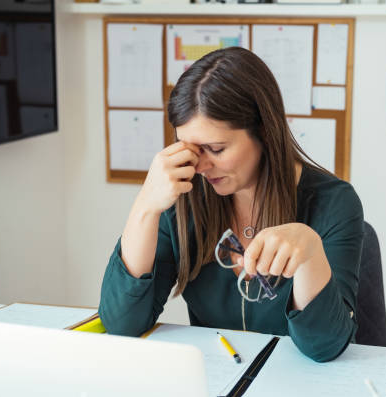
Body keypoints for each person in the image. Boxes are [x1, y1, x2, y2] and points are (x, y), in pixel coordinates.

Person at [99, 47, 364, 362]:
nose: (200, 166)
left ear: (264, 132)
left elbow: (324, 347)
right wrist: (145, 207)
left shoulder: (333, 203)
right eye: (191, 149)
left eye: (215, 148)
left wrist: (310, 252)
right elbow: (121, 325)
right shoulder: (183, 197)